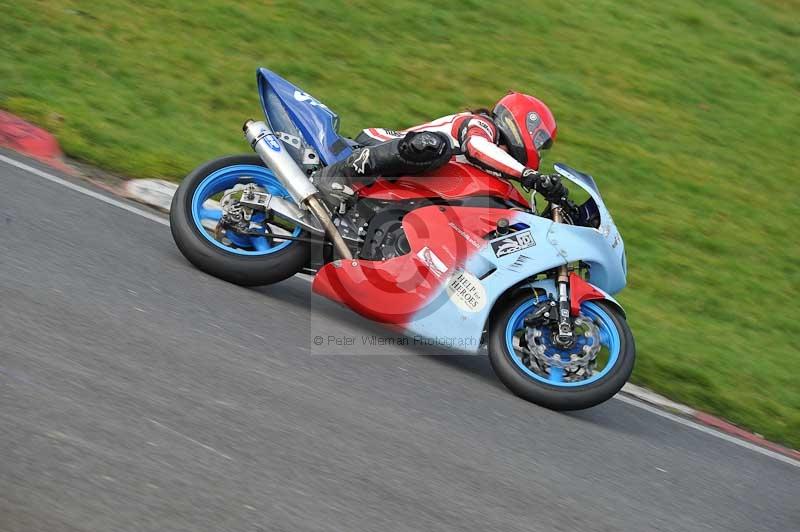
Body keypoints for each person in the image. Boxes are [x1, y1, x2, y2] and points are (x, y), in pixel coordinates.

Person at [312, 92, 569, 208]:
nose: (538, 151)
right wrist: (528, 175)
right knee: (436, 147)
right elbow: (477, 147)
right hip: (378, 145)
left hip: (404, 187)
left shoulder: (497, 170)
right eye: (540, 143)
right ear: (524, 124)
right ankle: (339, 176)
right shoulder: (480, 125)